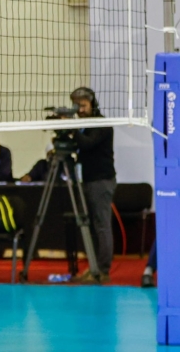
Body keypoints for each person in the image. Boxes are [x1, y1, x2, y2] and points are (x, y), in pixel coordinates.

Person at [68, 87, 116, 283]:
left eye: (83, 105)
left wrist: (71, 129)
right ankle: (94, 267)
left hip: (101, 181)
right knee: (94, 227)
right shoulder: (85, 125)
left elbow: (87, 144)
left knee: (102, 226)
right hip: (88, 180)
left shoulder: (101, 124)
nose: (79, 109)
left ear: (92, 104)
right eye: (76, 105)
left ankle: (103, 270)